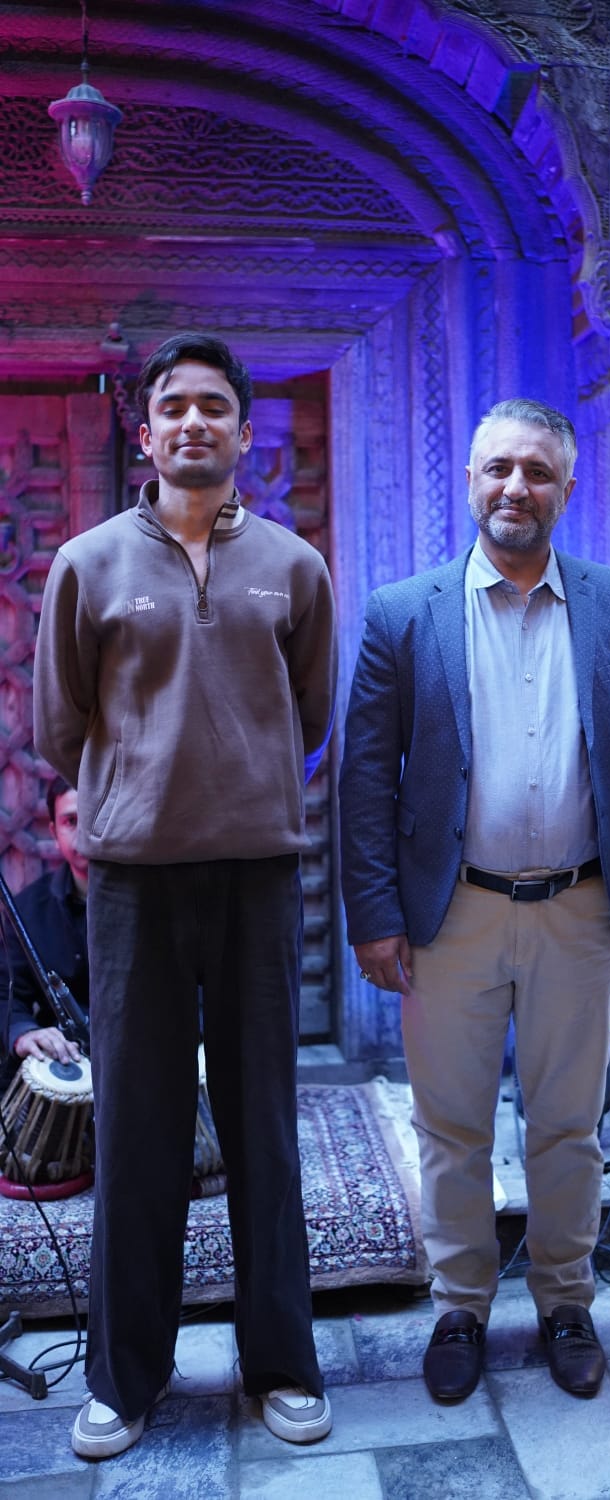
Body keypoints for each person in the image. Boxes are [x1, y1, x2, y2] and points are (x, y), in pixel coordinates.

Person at [32, 332, 337, 1459]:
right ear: (145, 429)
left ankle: (282, 1366)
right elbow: (59, 725)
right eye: (174, 406)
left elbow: (311, 714)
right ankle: (127, 1378)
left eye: (214, 405)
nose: (194, 422)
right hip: (134, 883)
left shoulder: (293, 568)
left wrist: (241, 782)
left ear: (245, 432)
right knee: (139, 1131)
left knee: (264, 1128)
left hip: (258, 876)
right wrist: (140, 790)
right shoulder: (89, 564)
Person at [339, 398, 610, 1403]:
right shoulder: (405, 612)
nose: (515, 487)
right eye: (498, 469)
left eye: (536, 471)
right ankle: (460, 1307)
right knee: (453, 1126)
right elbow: (366, 776)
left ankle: (566, 1301)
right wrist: (375, 915)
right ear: (471, 481)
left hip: (582, 907)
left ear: (566, 487)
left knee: (569, 1124)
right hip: (452, 914)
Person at [1, 777, 89, 1075]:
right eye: (71, 821)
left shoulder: (154, 902)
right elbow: (6, 995)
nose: (84, 833)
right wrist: (24, 1033)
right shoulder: (27, 910)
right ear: (54, 831)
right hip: (67, 1060)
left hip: (148, 1060)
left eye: (92, 818)